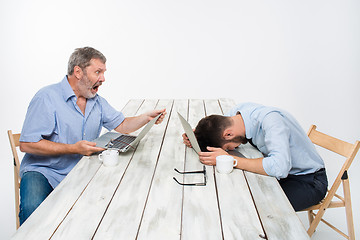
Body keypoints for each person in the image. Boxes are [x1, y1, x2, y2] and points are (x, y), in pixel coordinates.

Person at [18, 47, 166, 225]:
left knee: (107, 209)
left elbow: (122, 125)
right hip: (43, 170)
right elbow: (27, 144)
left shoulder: (97, 102)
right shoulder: (47, 97)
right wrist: (73, 148)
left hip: (78, 171)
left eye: (103, 72)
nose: (103, 79)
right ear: (78, 72)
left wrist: (146, 118)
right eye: (98, 72)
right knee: (32, 213)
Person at [183, 102, 327, 211]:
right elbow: (216, 126)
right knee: (237, 198)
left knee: (260, 211)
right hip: (284, 175)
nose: (232, 149)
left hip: (308, 180)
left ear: (228, 135)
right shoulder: (236, 116)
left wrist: (231, 159)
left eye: (228, 148)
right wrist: (198, 136)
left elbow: (280, 167)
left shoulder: (272, 121)